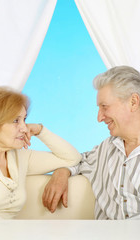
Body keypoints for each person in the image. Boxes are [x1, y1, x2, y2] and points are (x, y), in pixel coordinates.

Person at [42, 66, 140, 220]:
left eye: (104, 107)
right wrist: (62, 171)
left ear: (133, 102)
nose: (99, 118)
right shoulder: (107, 148)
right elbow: (80, 160)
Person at [0, 86, 81, 219]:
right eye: (16, 120)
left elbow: (71, 158)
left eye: (24, 120)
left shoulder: (20, 157)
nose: (24, 128)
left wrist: (39, 130)